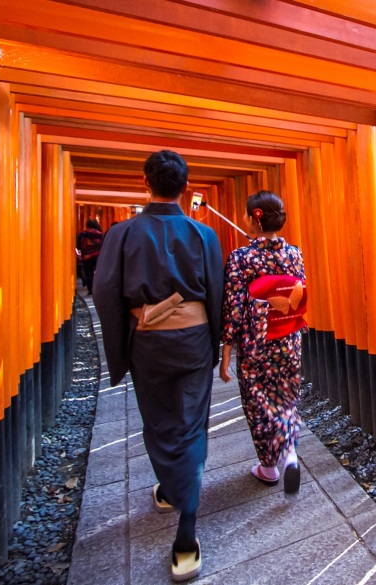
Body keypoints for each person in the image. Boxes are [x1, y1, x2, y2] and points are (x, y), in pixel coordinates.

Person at [93, 150, 223, 582]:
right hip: (193, 341)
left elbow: (106, 294)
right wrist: (217, 346)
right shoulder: (203, 235)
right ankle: (182, 526)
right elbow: (216, 295)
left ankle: (179, 508)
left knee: (159, 421)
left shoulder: (121, 234)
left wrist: (120, 348)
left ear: (143, 183)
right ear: (186, 188)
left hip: (147, 341)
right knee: (190, 424)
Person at [220, 190, 306, 494]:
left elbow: (234, 306)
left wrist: (226, 351)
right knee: (285, 398)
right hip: (289, 337)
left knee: (258, 402)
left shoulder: (241, 258)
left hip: (256, 341)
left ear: (253, 219)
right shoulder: (294, 253)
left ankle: (269, 467)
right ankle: (290, 453)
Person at [76, 218, 103, 295]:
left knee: (88, 273)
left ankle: (90, 289)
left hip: (87, 256)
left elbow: (78, 246)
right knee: (99, 272)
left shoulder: (83, 235)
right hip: (98, 255)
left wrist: (79, 255)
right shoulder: (100, 234)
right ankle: (99, 288)